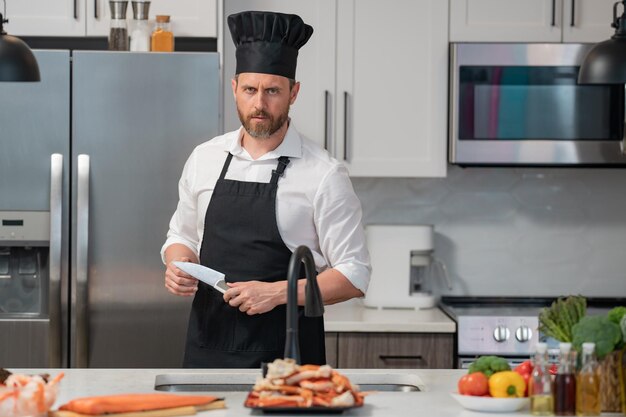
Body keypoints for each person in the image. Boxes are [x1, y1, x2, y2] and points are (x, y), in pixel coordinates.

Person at [161, 11, 370, 368]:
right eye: (250, 90)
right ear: (234, 88)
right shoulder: (205, 158)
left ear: (293, 92)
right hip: (207, 351)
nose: (259, 104)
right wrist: (178, 263)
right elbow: (180, 235)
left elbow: (354, 275)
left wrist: (277, 293)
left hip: (288, 359)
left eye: (272, 90)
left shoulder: (324, 173)